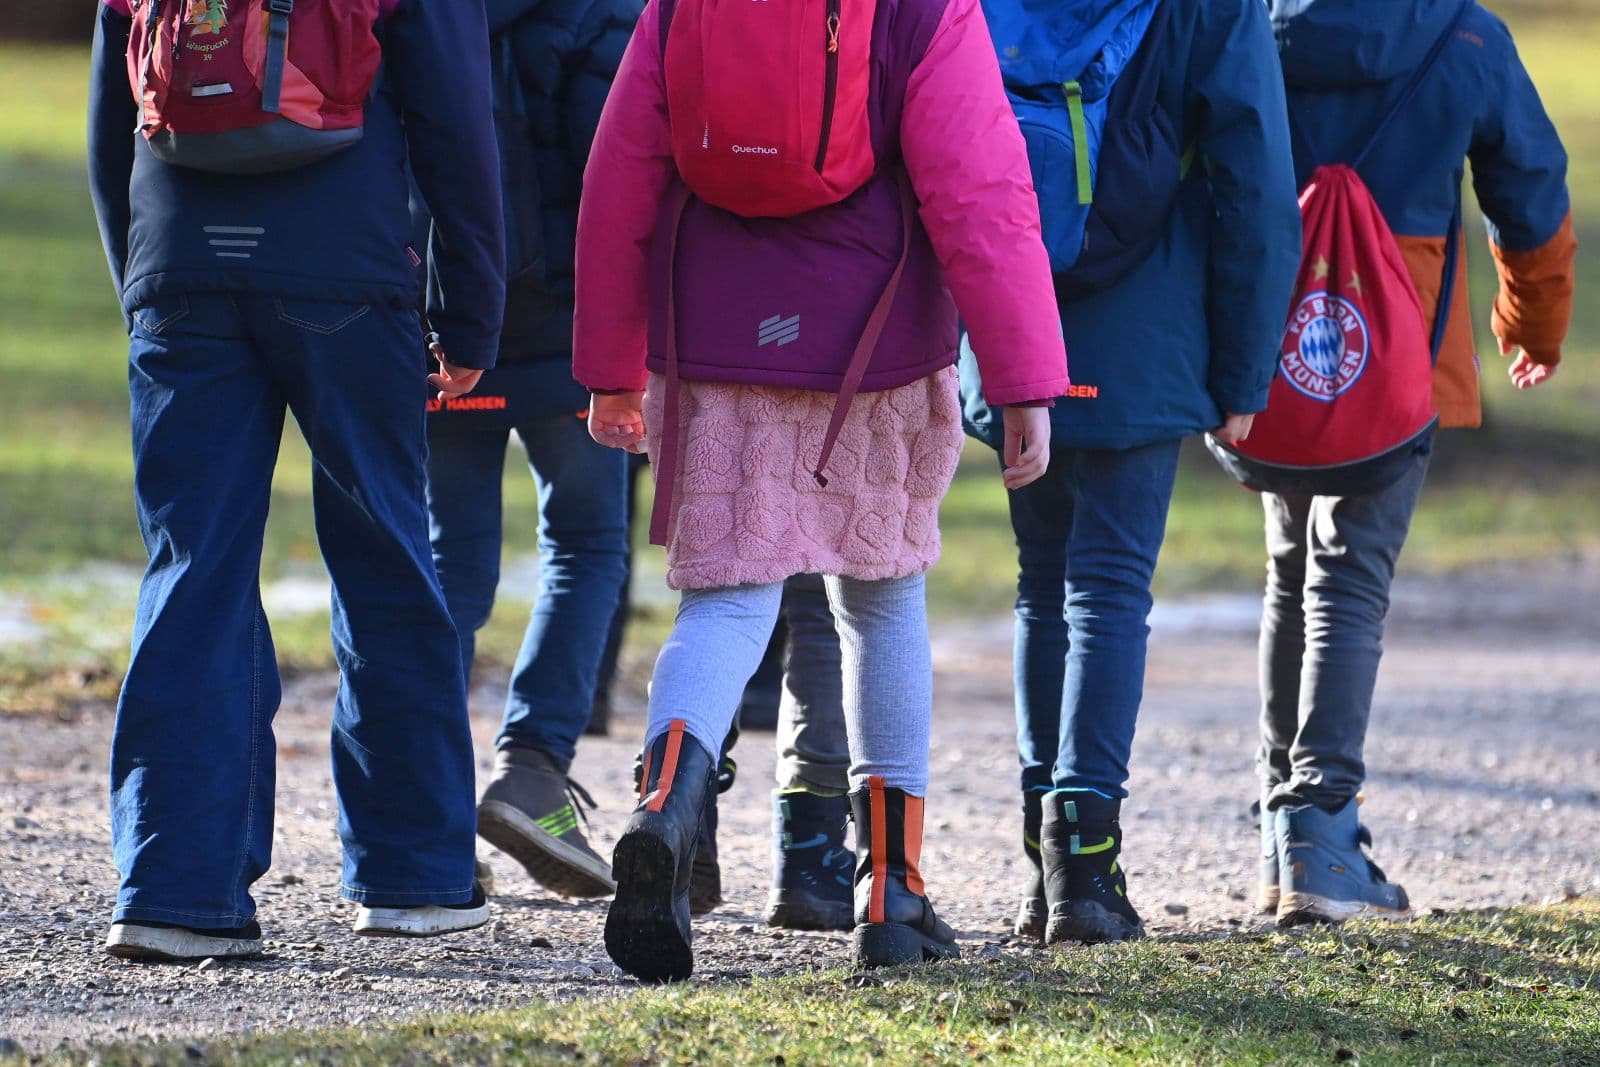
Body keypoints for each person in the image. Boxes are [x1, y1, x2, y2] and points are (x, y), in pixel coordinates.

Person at [575, 0, 1069, 979]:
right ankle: (891, 889)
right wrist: (1022, 377)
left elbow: (619, 173)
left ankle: (666, 803)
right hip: (874, 351)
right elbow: (980, 191)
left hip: (713, 343)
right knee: (881, 604)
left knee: (724, 601)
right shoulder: (925, 11)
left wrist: (609, 365)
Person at [89, 0, 504, 959]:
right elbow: (456, 124)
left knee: (193, 569)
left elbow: (111, 122)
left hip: (178, 269)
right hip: (347, 270)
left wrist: (142, 287)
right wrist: (472, 312)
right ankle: (413, 877)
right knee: (386, 555)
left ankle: (172, 890)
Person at [960, 0, 1302, 944]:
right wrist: (1243, 366)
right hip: (1147, 329)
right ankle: (1087, 865)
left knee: (1042, 589)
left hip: (1012, 313)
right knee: (1108, 592)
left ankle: (1046, 866)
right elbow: (1258, 187)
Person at [1253, 0, 1575, 925]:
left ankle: (1282, 827)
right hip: (1400, 351)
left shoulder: (1251, 22)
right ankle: (1319, 821)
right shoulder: (1462, 32)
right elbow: (1532, 186)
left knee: (1290, 565)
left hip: (1273, 341)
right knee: (1350, 575)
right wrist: (1533, 322)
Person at [418, 0, 640, 901]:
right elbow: (622, 177)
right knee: (587, 547)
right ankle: (534, 771)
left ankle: (425, 808)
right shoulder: (604, 14)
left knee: (444, 565)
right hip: (572, 340)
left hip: (442, 329)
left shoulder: (425, 12)